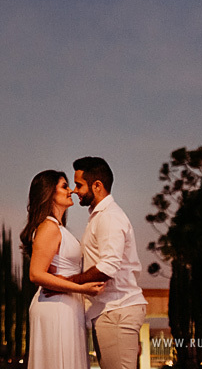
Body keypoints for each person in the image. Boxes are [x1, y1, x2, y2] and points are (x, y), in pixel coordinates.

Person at [64, 156, 147, 369]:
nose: (74, 190)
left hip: (117, 310)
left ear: (97, 185)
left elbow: (108, 267)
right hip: (110, 311)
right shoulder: (100, 217)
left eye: (79, 185)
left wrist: (71, 281)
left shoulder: (109, 217)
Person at [20, 170, 105, 369]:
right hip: (56, 307)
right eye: (65, 186)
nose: (72, 191)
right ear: (49, 193)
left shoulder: (58, 228)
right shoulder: (49, 227)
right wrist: (83, 289)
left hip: (67, 305)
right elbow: (36, 273)